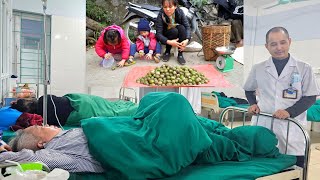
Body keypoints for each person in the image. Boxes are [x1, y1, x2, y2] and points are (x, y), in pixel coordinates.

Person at [243, 26, 319, 167]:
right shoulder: (258, 68)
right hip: (264, 125)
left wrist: (289, 112)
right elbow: (249, 89)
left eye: (283, 42)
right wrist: (253, 103)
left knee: (295, 169)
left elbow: (310, 97)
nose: (279, 47)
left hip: (292, 129)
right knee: (264, 168)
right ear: (267, 47)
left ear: (289, 41)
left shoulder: (304, 68)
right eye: (273, 44)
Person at [0, 125, 104, 173]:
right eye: (41, 127)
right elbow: (29, 158)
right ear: (41, 143)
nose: (46, 125)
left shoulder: (65, 136)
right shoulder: (57, 152)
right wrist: (3, 152)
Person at [155, 0, 191, 65]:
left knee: (182, 28)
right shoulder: (161, 14)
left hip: (177, 33)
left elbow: (187, 27)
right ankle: (167, 51)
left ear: (175, 6)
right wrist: (169, 42)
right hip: (166, 34)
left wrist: (187, 40)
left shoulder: (180, 12)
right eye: (165, 7)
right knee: (174, 31)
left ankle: (180, 54)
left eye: (170, 6)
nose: (167, 9)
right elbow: (158, 33)